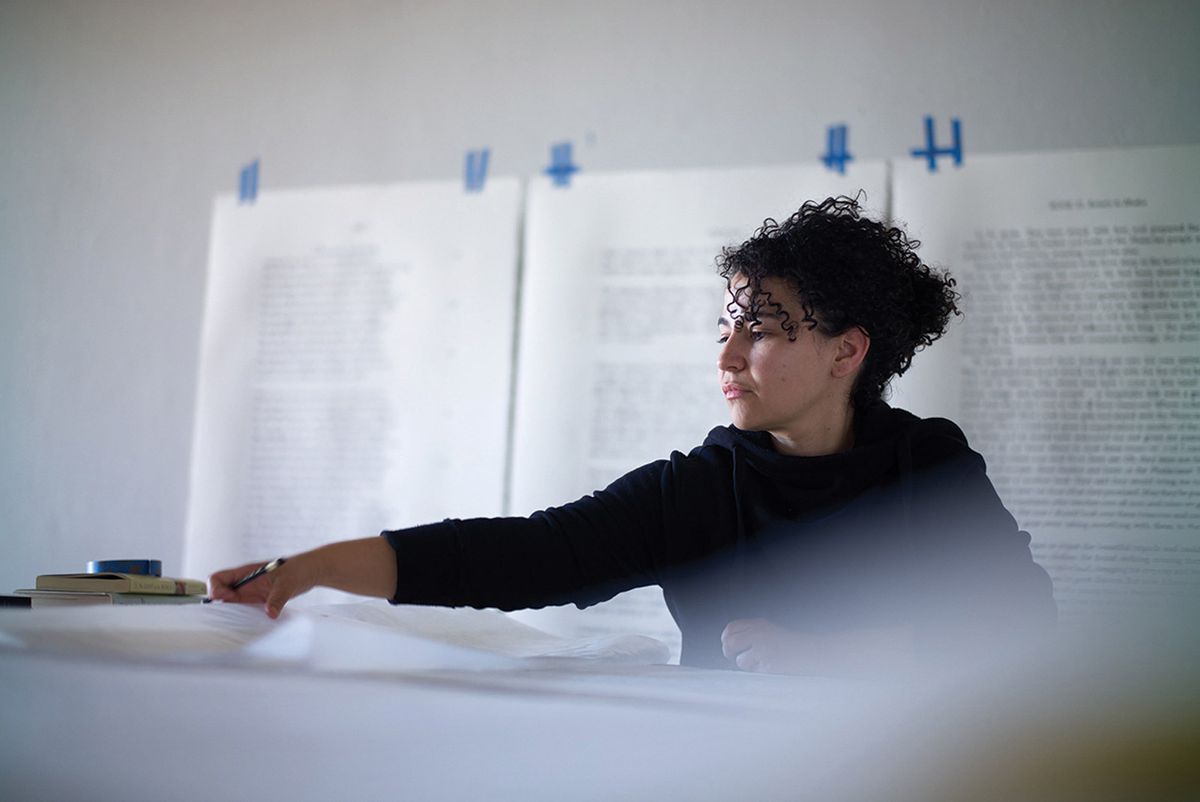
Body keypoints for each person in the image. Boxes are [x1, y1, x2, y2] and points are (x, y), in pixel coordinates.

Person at [211, 195, 1055, 674]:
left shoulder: (929, 468)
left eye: (761, 329)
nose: (726, 353)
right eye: (727, 324)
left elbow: (1021, 621)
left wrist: (843, 656)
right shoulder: (695, 490)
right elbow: (518, 556)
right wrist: (312, 568)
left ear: (847, 351)